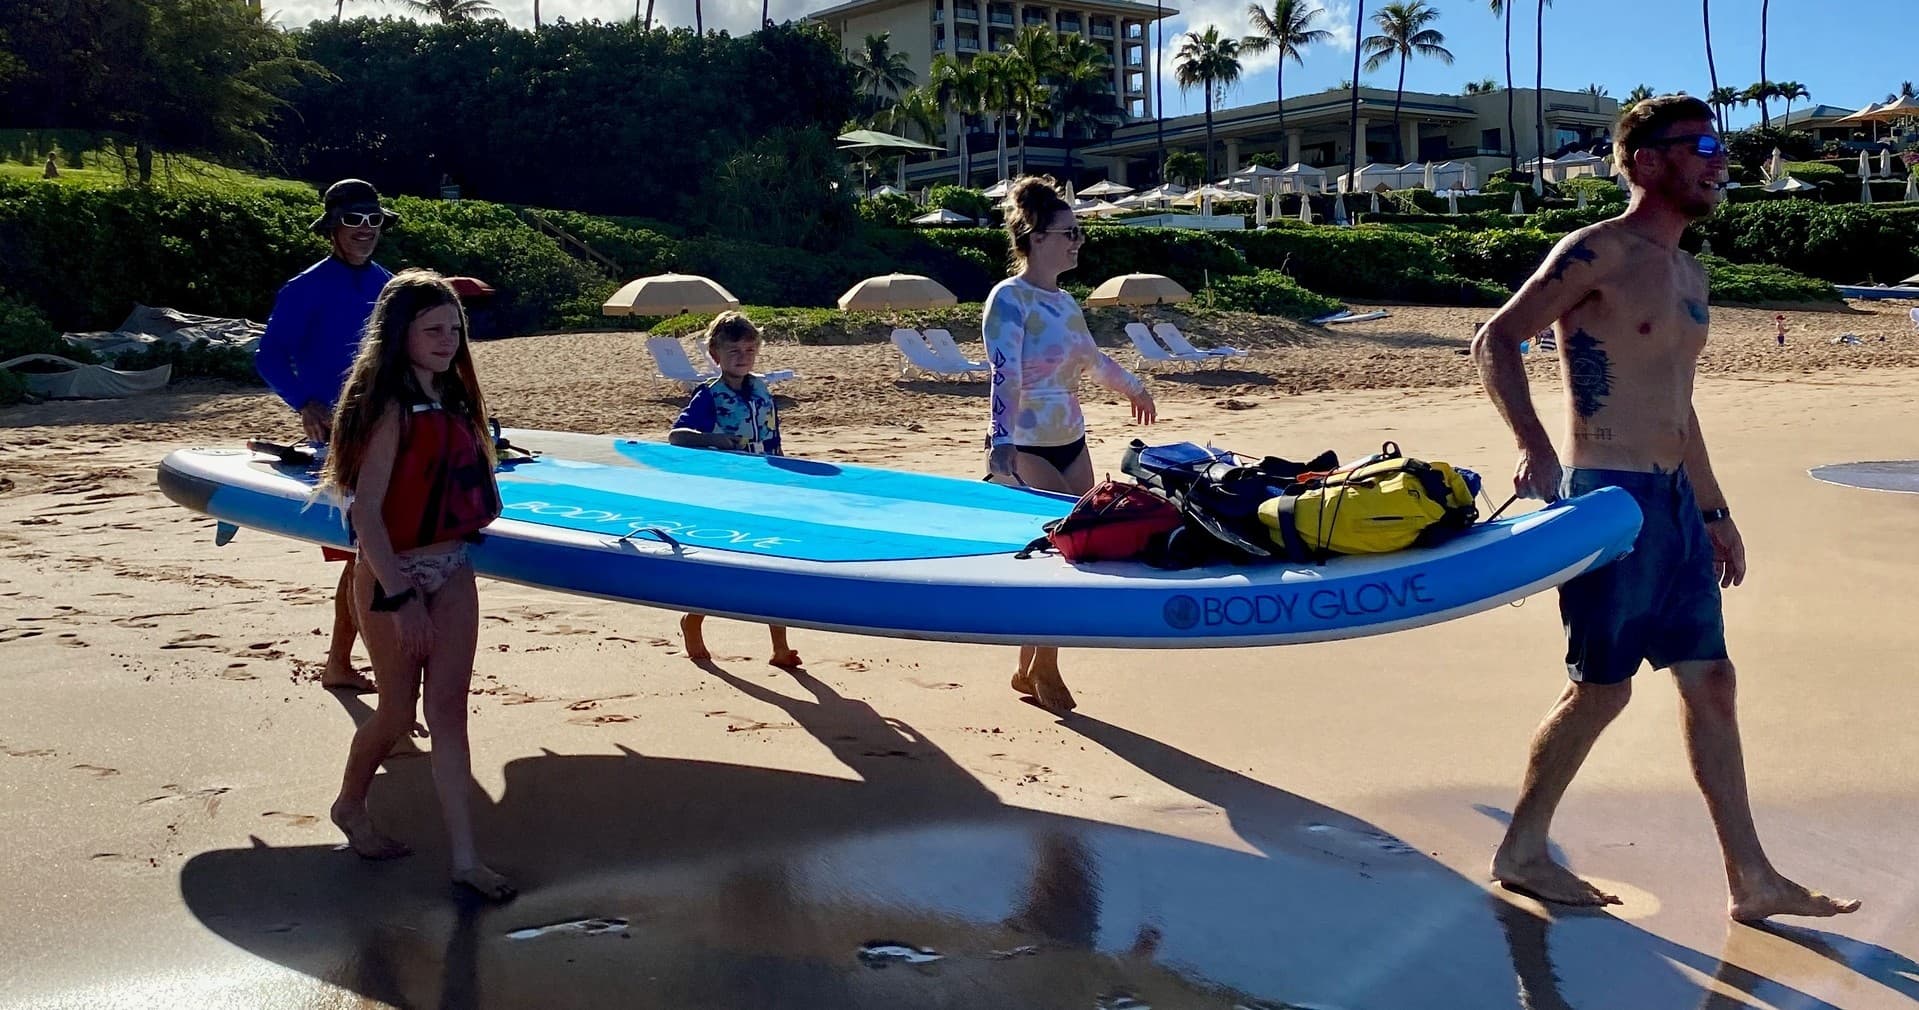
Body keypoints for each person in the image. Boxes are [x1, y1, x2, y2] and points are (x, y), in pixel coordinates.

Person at [1470, 96, 1858, 922]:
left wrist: (1714, 513)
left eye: (1723, 146)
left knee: (1709, 680)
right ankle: (1523, 850)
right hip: (1609, 498)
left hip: (1675, 502)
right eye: (1703, 145)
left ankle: (1752, 880)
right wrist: (1536, 447)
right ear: (1645, 161)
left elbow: (1679, 406)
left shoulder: (1690, 274)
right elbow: (1496, 340)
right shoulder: (1595, 251)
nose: (1721, 160)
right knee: (1601, 689)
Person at [318, 269, 513, 901]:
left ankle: (465, 860)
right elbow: (366, 515)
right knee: (399, 711)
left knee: (449, 713)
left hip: (452, 565)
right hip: (390, 574)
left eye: (454, 329)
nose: (446, 340)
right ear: (398, 334)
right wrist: (401, 599)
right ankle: (350, 805)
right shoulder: (387, 409)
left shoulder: (454, 400)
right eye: (431, 329)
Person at [983, 176, 1156, 713]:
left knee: (1075, 555)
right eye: (1069, 233)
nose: (1078, 241)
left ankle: (1025, 666)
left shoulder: (1064, 302)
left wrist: (1134, 387)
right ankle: (1047, 669)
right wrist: (1002, 444)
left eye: (1079, 232)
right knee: (1059, 562)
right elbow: (1003, 377)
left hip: (1071, 440)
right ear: (1036, 237)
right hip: (1027, 444)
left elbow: (1091, 359)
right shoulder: (1008, 300)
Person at [255, 178, 399, 693]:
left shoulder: (389, 286)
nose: (364, 230)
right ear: (332, 227)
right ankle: (345, 662)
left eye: (374, 220)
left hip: (389, 427)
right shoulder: (305, 288)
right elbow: (269, 357)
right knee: (365, 550)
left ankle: (350, 661)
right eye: (353, 220)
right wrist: (304, 404)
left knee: (376, 549)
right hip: (340, 437)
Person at [667, 311, 803, 668]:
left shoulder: (762, 391)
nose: (742, 356)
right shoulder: (709, 396)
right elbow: (676, 437)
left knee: (774, 563)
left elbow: (773, 440)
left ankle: (779, 646)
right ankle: (692, 620)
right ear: (715, 355)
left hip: (769, 489)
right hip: (730, 494)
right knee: (724, 564)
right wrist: (712, 438)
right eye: (733, 350)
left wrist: (788, 481)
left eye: (749, 349)